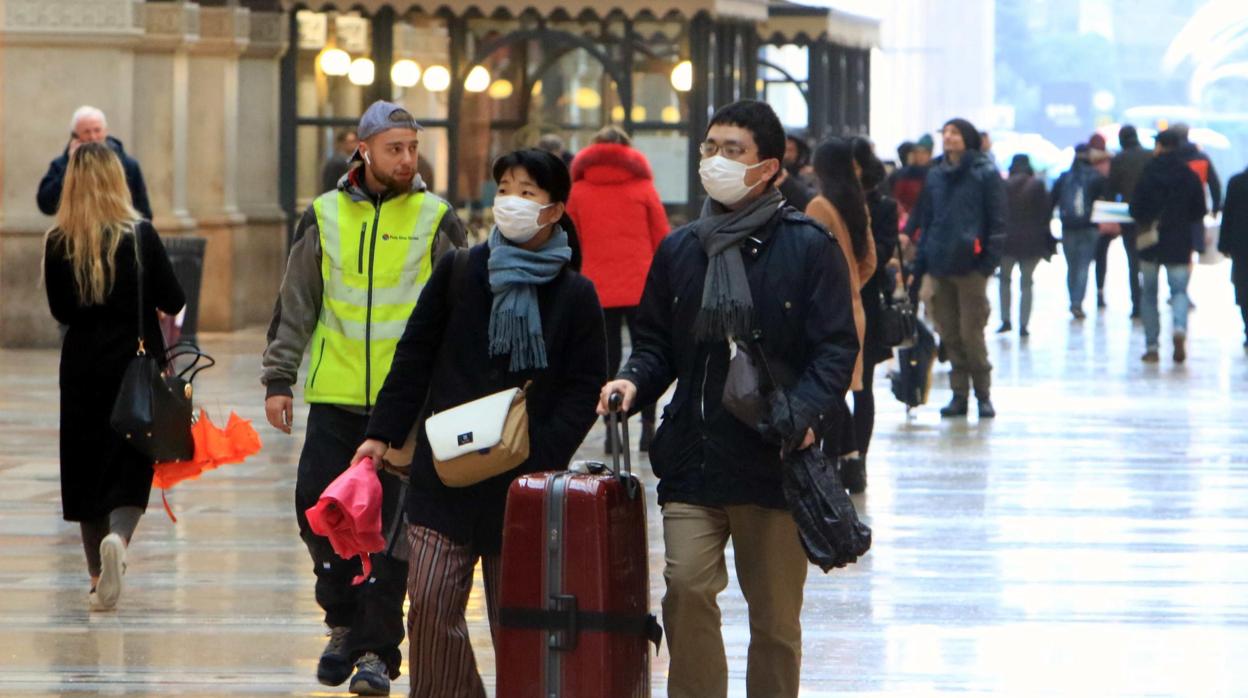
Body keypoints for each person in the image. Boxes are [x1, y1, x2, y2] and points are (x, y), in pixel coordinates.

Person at [597, 99, 859, 698]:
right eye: (710, 148)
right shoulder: (681, 249)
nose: (715, 160)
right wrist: (633, 381)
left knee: (773, 624)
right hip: (694, 455)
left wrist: (800, 414)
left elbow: (834, 348)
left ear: (769, 167)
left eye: (732, 150)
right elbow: (658, 341)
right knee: (686, 590)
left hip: (774, 461)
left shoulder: (808, 247)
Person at [351, 149, 606, 698]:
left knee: (517, 619)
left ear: (555, 209)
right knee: (432, 606)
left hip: (524, 484)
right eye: (506, 188)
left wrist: (543, 453)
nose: (511, 201)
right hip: (445, 469)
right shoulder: (460, 271)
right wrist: (382, 432)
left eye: (528, 192)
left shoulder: (576, 294)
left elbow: (586, 386)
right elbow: (414, 354)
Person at [261, 100, 466, 696]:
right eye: (395, 148)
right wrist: (280, 378)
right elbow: (295, 303)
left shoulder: (437, 218)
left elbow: (462, 310)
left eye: (413, 148)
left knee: (389, 530)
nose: (406, 159)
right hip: (336, 398)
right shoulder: (322, 216)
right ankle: (343, 621)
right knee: (317, 511)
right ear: (364, 149)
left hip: (405, 408)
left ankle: (378, 651)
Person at [42, 142, 185, 612]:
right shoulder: (140, 235)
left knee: (85, 467)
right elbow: (173, 294)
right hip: (135, 363)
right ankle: (119, 542)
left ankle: (95, 575)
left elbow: (60, 309)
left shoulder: (58, 240)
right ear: (117, 180)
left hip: (81, 365)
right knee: (129, 462)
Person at [566, 125, 668, 450]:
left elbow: (571, 243)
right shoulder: (643, 187)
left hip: (596, 289)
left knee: (607, 361)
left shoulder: (578, 192)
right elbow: (662, 239)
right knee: (646, 356)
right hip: (641, 287)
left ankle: (611, 430)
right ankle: (647, 429)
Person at [905, 118, 1005, 418]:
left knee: (971, 332)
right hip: (939, 264)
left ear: (968, 139)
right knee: (949, 333)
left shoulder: (984, 173)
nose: (949, 138)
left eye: (955, 133)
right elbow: (928, 220)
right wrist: (921, 264)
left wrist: (987, 262)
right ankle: (958, 394)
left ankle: (983, 394)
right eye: (946, 133)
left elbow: (997, 222)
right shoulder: (935, 175)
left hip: (972, 268)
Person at [805, 137, 876, 492]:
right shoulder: (856, 205)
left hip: (826, 313)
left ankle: (844, 460)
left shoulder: (819, 206)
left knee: (827, 389)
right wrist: (851, 288)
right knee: (847, 388)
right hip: (855, 310)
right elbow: (869, 262)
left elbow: (809, 261)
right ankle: (850, 460)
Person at [847, 136, 900, 492]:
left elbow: (882, 250)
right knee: (831, 386)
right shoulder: (825, 203)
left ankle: (858, 461)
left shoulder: (882, 206)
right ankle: (839, 455)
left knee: (862, 385)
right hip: (831, 302)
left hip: (865, 302)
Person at [1129, 128, 1207, 363]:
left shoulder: (1147, 173)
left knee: (1149, 294)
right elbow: (1199, 211)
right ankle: (1180, 328)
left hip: (1150, 243)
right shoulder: (1188, 174)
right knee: (1179, 291)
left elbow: (1135, 208)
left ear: (1160, 147)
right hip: (1179, 242)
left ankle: (1152, 346)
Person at [38, 106, 152, 220]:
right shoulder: (61, 165)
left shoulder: (128, 165)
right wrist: (72, 165)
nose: (93, 137)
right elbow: (46, 206)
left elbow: (143, 211)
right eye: (86, 132)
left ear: (106, 131)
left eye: (97, 130)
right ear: (75, 136)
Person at [1052, 144, 1108, 320]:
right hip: (1090, 227)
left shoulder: (1064, 177)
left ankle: (1073, 300)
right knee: (1084, 266)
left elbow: (1052, 201)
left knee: (1072, 267)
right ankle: (1077, 302)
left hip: (1068, 226)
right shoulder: (1097, 177)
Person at [997, 154, 1052, 337]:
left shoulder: (1004, 186)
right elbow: (1046, 213)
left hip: (1007, 241)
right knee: (1027, 283)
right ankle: (1023, 324)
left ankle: (1005, 319)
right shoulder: (1037, 185)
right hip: (1032, 242)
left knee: (1004, 280)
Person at [1100, 124, 1150, 318]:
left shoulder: (1118, 159)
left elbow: (1111, 189)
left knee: (1133, 262)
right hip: (1148, 217)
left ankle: (1136, 303)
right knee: (1148, 260)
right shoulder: (1149, 155)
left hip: (1128, 216)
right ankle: (1148, 300)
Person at [1218, 161, 1248, 347]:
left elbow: (1227, 214)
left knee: (1244, 287)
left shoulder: (1236, 182)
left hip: (1241, 245)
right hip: (1239, 244)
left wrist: (1224, 244)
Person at [893, 133, 933, 216]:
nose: (920, 156)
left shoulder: (934, 175)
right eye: (918, 152)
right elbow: (897, 198)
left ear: (930, 155)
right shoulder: (903, 174)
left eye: (924, 153)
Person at [779, 132, 815, 211]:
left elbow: (809, 202)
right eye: (784, 149)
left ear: (799, 153)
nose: (786, 155)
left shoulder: (808, 176)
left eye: (790, 150)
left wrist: (787, 181)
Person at [322, 129, 359, 194]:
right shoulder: (337, 162)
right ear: (342, 143)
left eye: (355, 141)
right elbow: (330, 186)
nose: (354, 144)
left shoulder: (349, 160)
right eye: (351, 141)